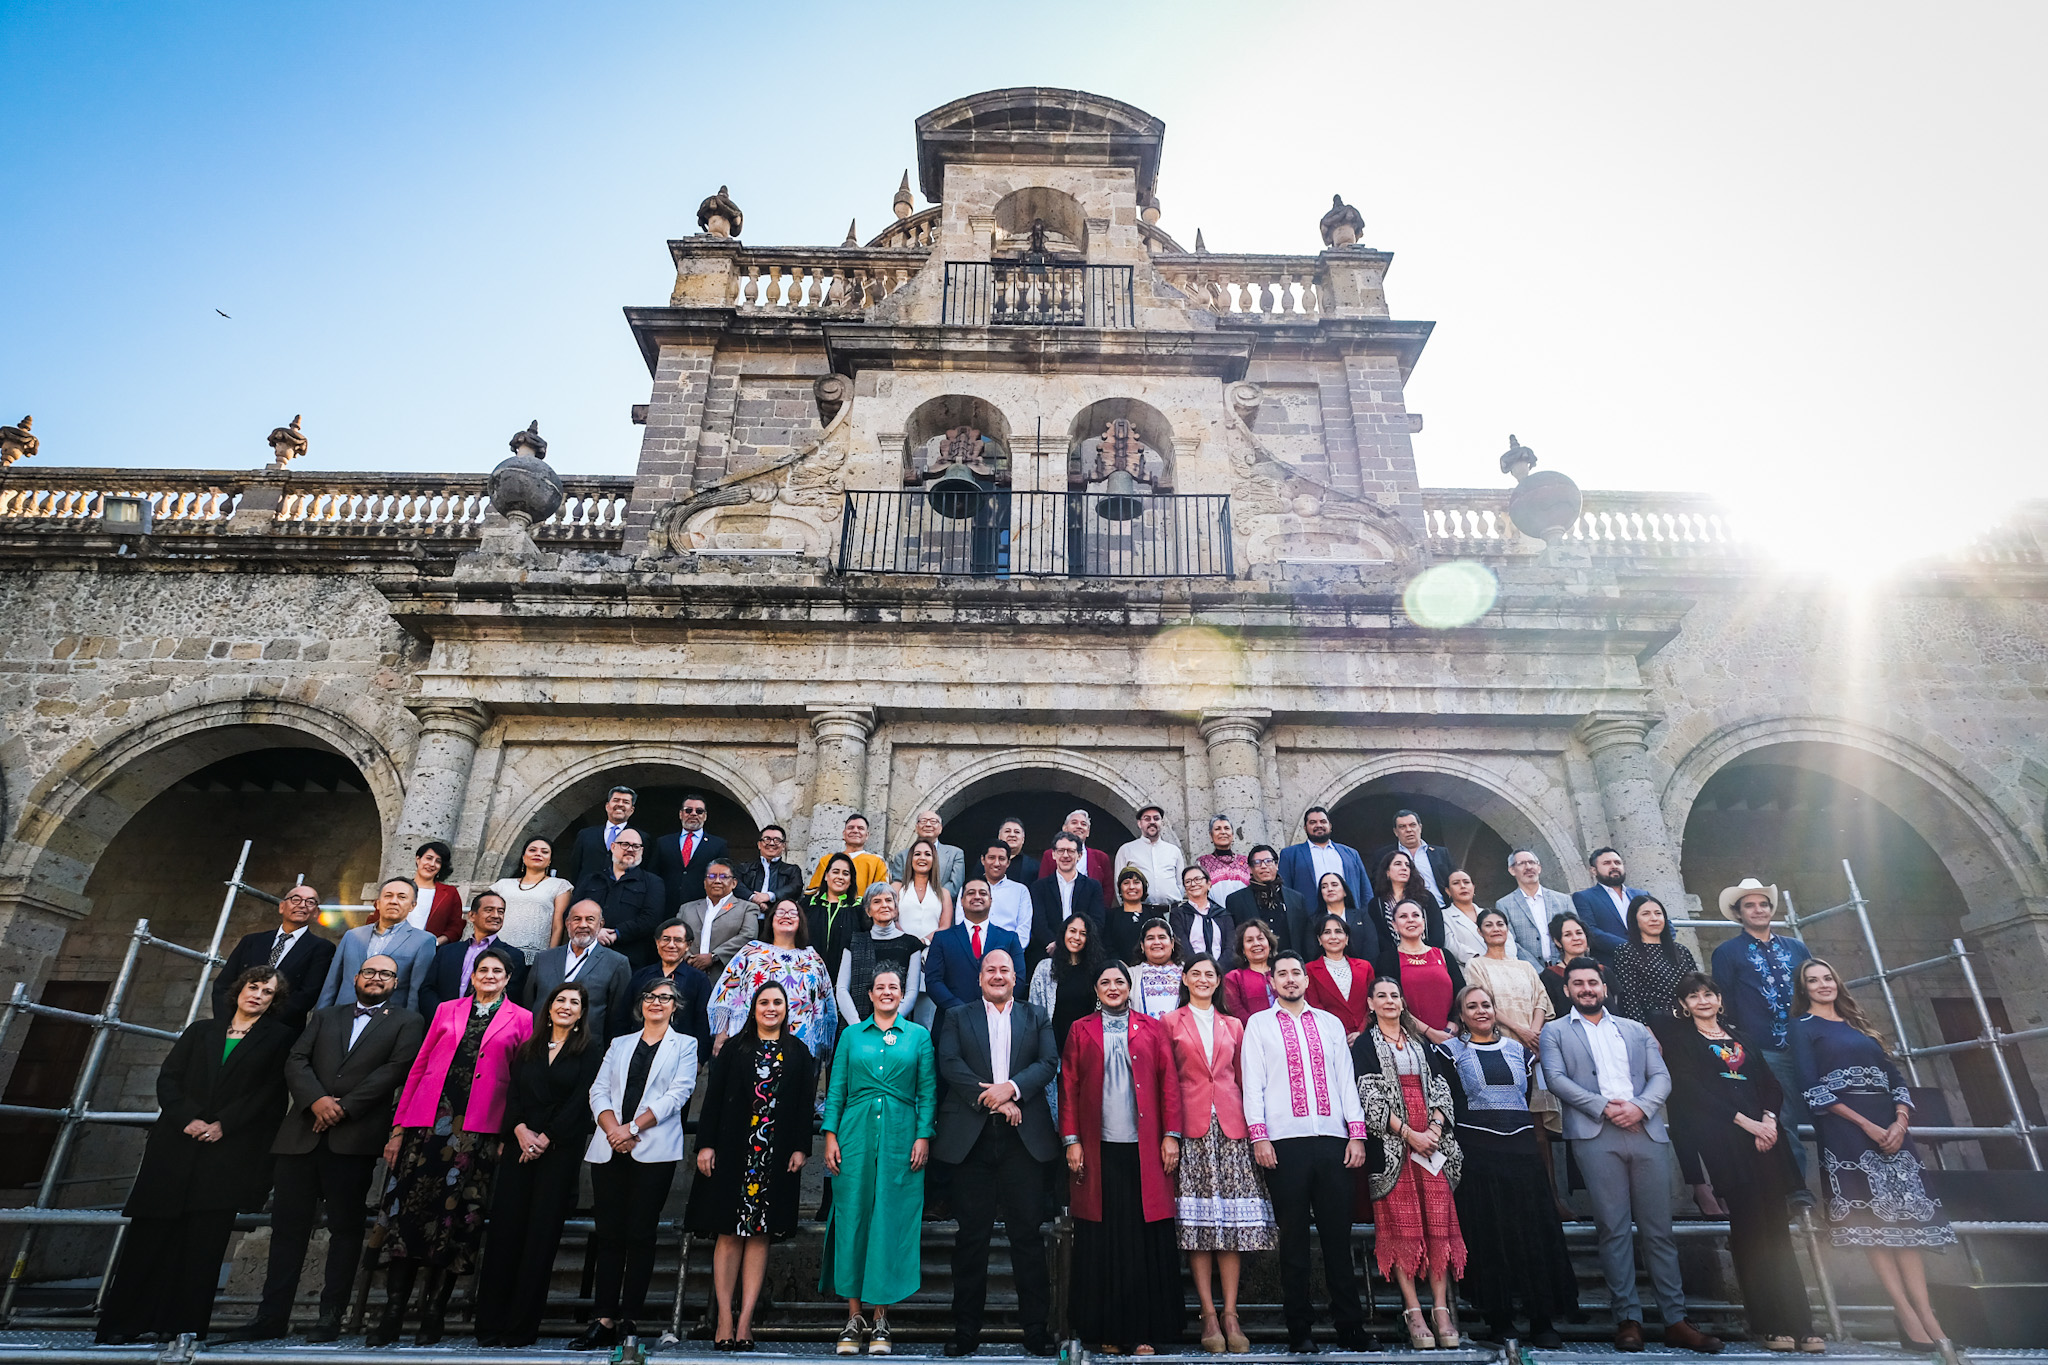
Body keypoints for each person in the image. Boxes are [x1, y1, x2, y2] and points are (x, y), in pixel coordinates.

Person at [219, 956, 425, 1343]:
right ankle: (271, 1317)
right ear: (356, 977)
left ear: (395, 983)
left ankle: (331, 1317)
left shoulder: (407, 1022)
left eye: (385, 974)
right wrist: (316, 1101)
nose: (376, 979)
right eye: (369, 972)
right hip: (300, 1136)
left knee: (345, 1231)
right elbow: (296, 1060)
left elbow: (395, 1069)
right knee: (286, 1231)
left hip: (353, 1140)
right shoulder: (326, 1016)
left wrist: (342, 1108)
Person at [95, 967, 293, 1346]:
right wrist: (187, 1118)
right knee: (148, 1240)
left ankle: (182, 1324)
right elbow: (168, 1077)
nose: (257, 995)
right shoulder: (200, 1031)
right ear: (239, 990)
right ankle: (124, 1322)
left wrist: (223, 1124)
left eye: (267, 992)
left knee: (202, 1243)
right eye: (253, 987)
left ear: (274, 1001)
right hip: (175, 1146)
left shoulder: (279, 1039)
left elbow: (269, 1093)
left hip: (226, 1150)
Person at [1539, 956, 1722, 1354]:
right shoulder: (1554, 1031)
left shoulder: (1636, 1029)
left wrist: (1640, 1107)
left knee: (1659, 1230)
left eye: (1593, 982)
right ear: (1567, 989)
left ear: (1604, 987)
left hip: (1645, 1129)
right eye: (1578, 984)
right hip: (1595, 1133)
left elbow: (1662, 1077)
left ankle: (1676, 1319)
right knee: (1613, 1228)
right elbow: (1555, 1079)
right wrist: (1605, 1107)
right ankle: (1628, 1320)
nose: (1586, 989)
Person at [369, 946, 532, 1347]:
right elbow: (421, 1065)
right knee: (407, 1215)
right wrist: (398, 1127)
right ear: (472, 975)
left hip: (476, 1134)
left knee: (457, 1222)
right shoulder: (446, 1009)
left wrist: (506, 1134)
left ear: (508, 978)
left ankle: (434, 1312)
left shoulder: (523, 1020)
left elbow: (522, 1082)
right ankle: (393, 1311)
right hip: (427, 1128)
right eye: (483, 970)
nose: (490, 975)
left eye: (497, 971)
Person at [1791, 957, 1954, 1349]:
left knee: (1907, 1226)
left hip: (1894, 1133)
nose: (1822, 984)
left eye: (1828, 977)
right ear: (1804, 990)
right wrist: (1866, 1125)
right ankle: (1906, 1314)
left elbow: (1895, 1077)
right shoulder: (1802, 1029)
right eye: (1813, 980)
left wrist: (1900, 1122)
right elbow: (1811, 1086)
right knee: (1875, 1226)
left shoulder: (1860, 1027)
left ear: (1837, 982)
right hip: (1848, 1132)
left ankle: (1928, 1313)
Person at [1656, 973, 1822, 1354]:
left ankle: (1802, 1322)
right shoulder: (1682, 1043)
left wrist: (1767, 1119)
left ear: (1720, 999)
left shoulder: (1743, 1037)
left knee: (1778, 1234)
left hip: (1766, 1142)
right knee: (1750, 1233)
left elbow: (1769, 1083)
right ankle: (1768, 1323)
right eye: (1693, 996)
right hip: (1728, 1143)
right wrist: (1745, 1123)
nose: (1702, 1000)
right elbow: (1693, 1091)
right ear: (1683, 1005)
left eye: (1708, 993)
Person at [1241, 949, 1372, 1354]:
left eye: (1296, 973)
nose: (1291, 980)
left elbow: (1346, 1080)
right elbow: (1253, 1084)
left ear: (1305, 979)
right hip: (1284, 1144)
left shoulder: (1330, 1024)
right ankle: (1300, 1328)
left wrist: (1357, 1134)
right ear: (1273, 983)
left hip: (1333, 1141)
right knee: (1294, 1240)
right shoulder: (1259, 1025)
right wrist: (1259, 1136)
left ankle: (1350, 1325)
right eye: (1282, 974)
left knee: (1338, 1238)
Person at [937, 950, 1059, 1357]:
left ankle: (1036, 1330)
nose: (997, 975)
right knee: (971, 1238)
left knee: (1027, 1237)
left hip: (1023, 1140)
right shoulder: (957, 1016)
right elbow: (950, 1064)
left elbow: (1048, 1062)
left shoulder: (1036, 1014)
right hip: (971, 1141)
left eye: (1004, 969)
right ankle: (966, 1331)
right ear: (979, 977)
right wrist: (993, 1098)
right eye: (990, 969)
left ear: (1015, 977)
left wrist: (1012, 1090)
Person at [473, 981, 607, 1348]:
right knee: (505, 1234)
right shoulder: (528, 1047)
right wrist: (519, 1130)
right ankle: (490, 1324)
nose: (565, 1006)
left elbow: (582, 1100)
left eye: (574, 1002)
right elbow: (512, 1093)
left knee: (539, 1239)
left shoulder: (590, 1050)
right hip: (519, 1147)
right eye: (560, 1000)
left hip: (557, 1152)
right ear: (548, 1008)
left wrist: (546, 1138)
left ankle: (519, 1328)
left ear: (582, 1013)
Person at [1060, 961, 1184, 1355]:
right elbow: (1069, 1086)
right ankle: (1107, 1329)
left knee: (1143, 1237)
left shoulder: (1152, 1027)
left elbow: (1169, 1083)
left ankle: (1145, 1329)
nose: (1112, 987)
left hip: (1144, 1147)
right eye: (1104, 982)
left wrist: (1171, 1136)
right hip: (1098, 1149)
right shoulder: (1081, 1029)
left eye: (1119, 982)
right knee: (1103, 1238)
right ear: (1095, 989)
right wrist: (1072, 1140)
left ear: (1130, 987)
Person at [686, 982, 817, 1350]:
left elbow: (805, 1105)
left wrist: (801, 1148)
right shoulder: (733, 1049)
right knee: (728, 1233)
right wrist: (706, 1144)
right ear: (753, 1008)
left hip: (774, 1156)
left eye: (778, 1002)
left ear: (786, 1009)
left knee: (760, 1235)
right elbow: (712, 1099)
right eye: (764, 1002)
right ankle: (724, 1318)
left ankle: (745, 1322)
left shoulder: (799, 1052)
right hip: (732, 1152)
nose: (771, 1008)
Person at [1441, 983, 1572, 1350]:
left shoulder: (1520, 1051)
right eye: (1472, 1006)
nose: (1480, 1011)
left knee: (1533, 1235)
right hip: (1479, 1157)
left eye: (1486, 1004)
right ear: (1461, 1015)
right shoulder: (1449, 1052)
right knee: (1489, 1237)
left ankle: (1541, 1318)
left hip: (1522, 1156)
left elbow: (1526, 1096)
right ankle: (1499, 1319)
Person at [575, 977, 699, 1350]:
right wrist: (614, 1129)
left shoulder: (686, 1045)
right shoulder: (620, 1043)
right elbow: (598, 1089)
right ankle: (603, 1319)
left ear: (675, 1005)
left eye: (664, 998)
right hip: (609, 1146)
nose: (656, 1003)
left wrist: (632, 1128)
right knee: (609, 1234)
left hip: (654, 1148)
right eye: (650, 997)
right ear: (640, 1003)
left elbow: (679, 1093)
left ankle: (631, 1319)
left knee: (641, 1235)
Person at [822, 965, 936, 1356]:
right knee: (853, 1216)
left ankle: (881, 1316)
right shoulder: (851, 1035)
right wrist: (830, 1136)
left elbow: (927, 1091)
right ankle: (854, 1316)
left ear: (903, 995)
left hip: (902, 1135)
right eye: (880, 987)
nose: (887, 992)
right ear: (868, 994)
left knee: (889, 1218)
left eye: (894, 987)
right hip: (853, 1132)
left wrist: (923, 1135)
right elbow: (835, 1089)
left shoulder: (918, 1036)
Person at [1166, 953, 1274, 1355]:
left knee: (1229, 1223)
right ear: (1186, 979)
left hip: (1232, 1128)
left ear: (1218, 981)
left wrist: (1257, 1128)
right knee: (1198, 1225)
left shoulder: (1234, 1024)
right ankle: (1208, 1314)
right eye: (1195, 973)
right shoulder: (1170, 1021)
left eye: (1210, 974)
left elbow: (1247, 1078)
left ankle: (1231, 1313)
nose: (1203, 979)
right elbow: (1167, 1081)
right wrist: (1169, 1133)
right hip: (1191, 1129)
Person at [1354, 976, 1466, 1350]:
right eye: (1381, 996)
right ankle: (1413, 1310)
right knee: (1401, 1225)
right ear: (1370, 1004)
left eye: (1395, 996)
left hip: (1431, 1143)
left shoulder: (1420, 1042)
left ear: (1403, 1002)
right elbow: (1367, 1094)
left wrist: (1433, 1127)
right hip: (1393, 1145)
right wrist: (1409, 1135)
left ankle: (1440, 1308)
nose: (1389, 1001)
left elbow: (1440, 1085)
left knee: (1438, 1222)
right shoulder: (1365, 1046)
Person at [1709, 878, 1815, 1179]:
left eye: (1763, 904)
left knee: (1828, 1114)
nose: (1758, 910)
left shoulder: (1796, 948)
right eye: (1750, 905)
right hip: (1765, 1049)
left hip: (1809, 1044)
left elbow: (1813, 993)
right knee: (1782, 1120)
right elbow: (1724, 1003)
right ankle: (1799, 1194)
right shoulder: (1727, 953)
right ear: (1739, 913)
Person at [1461, 908, 1565, 1200]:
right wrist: (1521, 1032)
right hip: (1501, 1046)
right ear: (1480, 932)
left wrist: (1533, 1032)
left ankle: (1551, 1197)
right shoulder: (1476, 965)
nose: (1495, 929)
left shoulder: (1525, 967)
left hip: (1532, 1047)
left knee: (1539, 1127)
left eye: (1500, 924)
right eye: (1488, 925)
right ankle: (1516, 1197)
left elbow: (1540, 1000)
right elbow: (1484, 1004)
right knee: (1509, 1123)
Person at [709, 898, 838, 1057]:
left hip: (798, 1047)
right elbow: (726, 991)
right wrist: (721, 1033)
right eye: (781, 912)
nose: (787, 916)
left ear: (801, 921)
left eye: (793, 913)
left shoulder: (813, 959)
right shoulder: (751, 951)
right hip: (748, 1043)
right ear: (771, 920)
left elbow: (825, 1004)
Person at [214, 881, 335, 1034]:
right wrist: (231, 1020)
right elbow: (223, 985)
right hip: (232, 1026)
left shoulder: (322, 948)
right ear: (282, 907)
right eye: (295, 899)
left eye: (310, 902)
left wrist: (261, 1022)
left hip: (279, 1031)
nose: (302, 905)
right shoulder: (251, 941)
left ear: (316, 912)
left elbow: (307, 995)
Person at [318, 877, 437, 1011]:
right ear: (378, 903)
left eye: (402, 897)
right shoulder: (352, 935)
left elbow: (415, 992)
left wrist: (409, 1026)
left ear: (412, 905)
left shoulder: (423, 941)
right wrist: (320, 1019)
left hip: (387, 1020)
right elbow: (331, 984)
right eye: (388, 896)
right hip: (341, 1015)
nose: (393, 901)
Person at [523, 900, 634, 1037]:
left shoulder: (617, 963)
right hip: (539, 1042)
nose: (582, 925)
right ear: (567, 923)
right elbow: (528, 1003)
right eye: (577, 919)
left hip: (585, 1047)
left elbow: (616, 1015)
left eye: (590, 919)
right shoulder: (544, 958)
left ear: (601, 924)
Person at [419, 889, 530, 1016]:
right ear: (472, 915)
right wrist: (442, 1014)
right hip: (441, 1023)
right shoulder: (447, 951)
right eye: (489, 910)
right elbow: (428, 989)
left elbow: (511, 997)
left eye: (501, 911)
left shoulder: (513, 955)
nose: (496, 915)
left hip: (482, 1027)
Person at [923, 879, 1024, 1015]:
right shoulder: (942, 938)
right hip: (952, 1020)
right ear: (961, 900)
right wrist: (960, 1010)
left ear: (991, 900)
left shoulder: (1009, 938)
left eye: (983, 893)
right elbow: (933, 981)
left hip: (999, 1019)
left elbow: (1019, 979)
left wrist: (994, 1007)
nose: (977, 896)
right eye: (971, 893)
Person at [573, 826, 668, 970]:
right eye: (625, 844)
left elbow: (651, 919)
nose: (630, 849)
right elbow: (570, 913)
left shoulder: (652, 883)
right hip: (585, 956)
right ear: (613, 847)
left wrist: (617, 933)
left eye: (636, 846)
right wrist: (594, 932)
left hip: (628, 961)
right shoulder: (592, 879)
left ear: (641, 851)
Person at [836, 882, 925, 1024]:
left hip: (897, 1025)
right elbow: (841, 989)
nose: (884, 905)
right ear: (868, 911)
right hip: (858, 1026)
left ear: (896, 908)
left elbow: (911, 993)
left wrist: (888, 1022)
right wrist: (858, 1025)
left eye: (889, 900)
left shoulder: (911, 944)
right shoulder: (853, 942)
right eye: (877, 901)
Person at [624, 917, 714, 1053]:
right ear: (657, 942)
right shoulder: (641, 976)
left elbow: (703, 1022)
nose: (671, 945)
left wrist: (699, 1059)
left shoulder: (698, 979)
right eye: (666, 939)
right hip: (637, 1050)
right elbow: (623, 1016)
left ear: (688, 945)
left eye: (678, 940)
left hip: (681, 1053)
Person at [1610, 894, 1698, 1024]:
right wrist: (1645, 1029)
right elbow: (1629, 998)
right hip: (1655, 1022)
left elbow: (1697, 987)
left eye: (1658, 913)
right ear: (1635, 919)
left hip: (1689, 1018)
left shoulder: (1681, 950)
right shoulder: (1625, 952)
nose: (1654, 918)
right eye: (1646, 914)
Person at [1028, 911, 1104, 1058]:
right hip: (1052, 1045)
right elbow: (1034, 1008)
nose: (1076, 937)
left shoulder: (1097, 970)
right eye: (1072, 931)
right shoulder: (1045, 968)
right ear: (1064, 933)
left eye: (1083, 933)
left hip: (1086, 1046)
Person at [1384, 899, 1465, 1034]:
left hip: (1451, 1035)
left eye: (1416, 915)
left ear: (1423, 921)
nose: (1410, 920)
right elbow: (1390, 1003)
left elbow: (1462, 995)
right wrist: (1429, 1032)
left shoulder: (1444, 955)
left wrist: (1452, 1025)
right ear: (1394, 925)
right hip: (1410, 1037)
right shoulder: (1388, 959)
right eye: (1403, 916)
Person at [1028, 833, 1105, 971]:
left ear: (1080, 856)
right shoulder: (1039, 887)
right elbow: (1038, 922)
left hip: (1084, 954)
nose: (1065, 855)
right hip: (1048, 953)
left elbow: (1097, 921)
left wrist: (1077, 943)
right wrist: (1057, 944)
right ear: (1053, 854)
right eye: (1061, 851)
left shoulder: (1093, 886)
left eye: (1071, 851)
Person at [647, 791, 730, 913]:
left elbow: (724, 878)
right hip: (666, 907)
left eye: (699, 811)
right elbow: (653, 875)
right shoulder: (663, 842)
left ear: (705, 816)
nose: (693, 814)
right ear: (681, 814)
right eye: (688, 810)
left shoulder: (718, 845)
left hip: (701, 909)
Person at [490, 836, 574, 956]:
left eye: (544, 852)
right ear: (523, 857)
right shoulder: (502, 885)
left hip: (536, 955)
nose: (538, 854)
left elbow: (558, 926)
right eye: (532, 850)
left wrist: (550, 956)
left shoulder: (560, 885)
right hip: (498, 951)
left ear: (550, 860)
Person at [1367, 847, 1445, 971]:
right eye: (1398, 864)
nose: (1404, 868)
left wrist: (1424, 953)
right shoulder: (1376, 904)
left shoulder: (1426, 897)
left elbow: (1437, 931)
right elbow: (1378, 937)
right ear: (1387, 871)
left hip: (1428, 958)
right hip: (1394, 962)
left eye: (1407, 865)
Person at [1226, 845, 1310, 957]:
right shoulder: (1236, 901)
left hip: (1290, 964)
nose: (1263, 866)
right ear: (1250, 868)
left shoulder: (1296, 899)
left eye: (1268, 861)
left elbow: (1304, 937)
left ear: (1276, 865)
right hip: (1255, 965)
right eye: (1257, 862)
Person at [1278, 805, 1367, 908]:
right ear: (1305, 828)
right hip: (1309, 918)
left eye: (1323, 821)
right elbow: (1285, 891)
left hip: (1349, 915)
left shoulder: (1351, 854)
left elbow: (1365, 890)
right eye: (1313, 822)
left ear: (1330, 826)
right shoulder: (1290, 854)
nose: (1319, 825)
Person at [1304, 912, 1375, 1044]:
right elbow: (1315, 1007)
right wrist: (1341, 1034)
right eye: (1327, 932)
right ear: (1319, 940)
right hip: (1331, 1039)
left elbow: (1372, 1004)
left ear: (1347, 938)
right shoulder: (1309, 970)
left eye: (1338, 931)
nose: (1333, 937)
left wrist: (1361, 1032)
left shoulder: (1365, 967)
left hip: (1366, 1036)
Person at [680, 859, 758, 974]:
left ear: (734, 883)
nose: (717, 881)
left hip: (727, 976)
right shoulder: (686, 909)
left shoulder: (747, 908)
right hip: (688, 972)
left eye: (724, 877)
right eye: (711, 876)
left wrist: (714, 956)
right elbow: (676, 935)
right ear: (705, 882)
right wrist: (688, 957)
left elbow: (748, 936)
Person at [1497, 848, 1571, 965]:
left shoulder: (1563, 900)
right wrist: (1537, 971)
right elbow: (1510, 941)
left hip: (1565, 967)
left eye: (1532, 862)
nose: (1528, 867)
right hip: (1530, 971)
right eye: (1521, 864)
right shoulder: (1504, 904)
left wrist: (1563, 964)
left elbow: (1575, 933)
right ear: (1512, 870)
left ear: (1539, 868)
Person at [562, 785, 642, 887]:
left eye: (626, 802)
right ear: (607, 806)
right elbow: (575, 867)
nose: (620, 804)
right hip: (587, 894)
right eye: (616, 800)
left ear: (631, 810)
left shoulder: (641, 838)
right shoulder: (585, 834)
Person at [1570, 847, 1643, 955]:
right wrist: (1629, 948)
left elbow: (1665, 924)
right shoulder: (1584, 897)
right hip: (1611, 962)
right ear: (1593, 870)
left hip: (1649, 962)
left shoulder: (1641, 895)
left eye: (1617, 862)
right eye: (1607, 863)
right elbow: (1590, 931)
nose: (1614, 866)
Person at [1113, 804, 1185, 908]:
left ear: (1162, 822)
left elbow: (1181, 883)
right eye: (1147, 819)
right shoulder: (1126, 850)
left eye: (1156, 818)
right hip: (1141, 911)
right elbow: (1118, 884)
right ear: (1139, 823)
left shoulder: (1174, 851)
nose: (1152, 822)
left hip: (1171, 912)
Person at [805, 851, 863, 979]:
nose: (840, 877)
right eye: (835, 872)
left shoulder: (859, 908)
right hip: (809, 977)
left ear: (851, 880)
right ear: (826, 876)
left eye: (846, 873)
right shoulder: (809, 904)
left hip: (846, 980)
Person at [1315, 867, 1384, 973]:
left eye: (1334, 885)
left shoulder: (1362, 915)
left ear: (1345, 891)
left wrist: (1364, 971)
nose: (1329, 889)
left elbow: (1371, 947)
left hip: (1362, 973)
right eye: (1324, 887)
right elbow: (1311, 952)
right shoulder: (1314, 921)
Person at [886, 810, 965, 900]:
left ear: (940, 828)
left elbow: (955, 885)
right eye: (923, 821)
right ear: (916, 827)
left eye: (933, 821)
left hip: (944, 905)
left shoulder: (955, 853)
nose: (928, 824)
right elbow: (898, 883)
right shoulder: (902, 856)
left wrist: (933, 900)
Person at [1171, 863, 1236, 972]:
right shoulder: (1178, 915)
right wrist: (1199, 970)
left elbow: (1230, 948)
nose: (1193, 884)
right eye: (1188, 881)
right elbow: (1183, 948)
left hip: (1222, 973)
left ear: (1209, 884)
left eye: (1198, 879)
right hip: (1192, 972)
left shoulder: (1223, 914)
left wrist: (1216, 971)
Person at [807, 813, 890, 896]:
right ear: (844, 834)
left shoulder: (877, 862)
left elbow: (882, 893)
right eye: (851, 828)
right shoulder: (826, 860)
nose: (855, 831)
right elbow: (813, 892)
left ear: (867, 835)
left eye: (860, 828)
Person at [894, 835, 954, 944]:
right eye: (917, 854)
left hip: (932, 950)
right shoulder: (897, 888)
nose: (922, 858)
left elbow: (945, 926)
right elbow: (893, 920)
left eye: (927, 854)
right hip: (901, 947)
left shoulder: (944, 894)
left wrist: (923, 941)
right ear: (910, 859)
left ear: (934, 859)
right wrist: (908, 942)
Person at [1540, 912, 1600, 1018]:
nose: (1576, 938)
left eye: (1579, 933)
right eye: (1568, 935)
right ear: (1558, 942)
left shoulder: (1602, 971)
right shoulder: (1550, 976)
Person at [736, 824, 804, 912]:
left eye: (777, 840)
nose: (771, 843)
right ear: (759, 844)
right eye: (767, 839)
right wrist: (753, 898)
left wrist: (770, 896)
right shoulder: (743, 868)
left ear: (783, 846)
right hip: (747, 914)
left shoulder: (792, 870)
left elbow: (795, 887)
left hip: (777, 916)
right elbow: (735, 884)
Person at [407, 839, 465, 943]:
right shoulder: (399, 886)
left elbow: (456, 927)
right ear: (418, 859)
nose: (432, 864)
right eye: (429, 858)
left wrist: (436, 942)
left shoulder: (450, 893)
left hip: (431, 951)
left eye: (438, 861)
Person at [1222, 917, 1278, 1021]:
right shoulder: (1233, 978)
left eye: (1260, 938)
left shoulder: (1283, 973)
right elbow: (1236, 1012)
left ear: (1269, 945)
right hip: (1253, 1033)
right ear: (1243, 949)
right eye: (1249, 940)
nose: (1256, 944)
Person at [980, 840, 1034, 945]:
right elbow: (962, 922)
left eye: (1001, 859)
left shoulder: (1020, 891)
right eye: (991, 858)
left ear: (1008, 863)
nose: (996, 863)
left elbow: (1024, 929)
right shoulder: (969, 888)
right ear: (983, 860)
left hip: (1009, 954)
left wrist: (1010, 951)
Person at [1132, 917, 1184, 1019]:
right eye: (1150, 938)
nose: (1156, 942)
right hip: (1144, 1033)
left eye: (1162, 937)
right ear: (1142, 945)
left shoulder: (1188, 972)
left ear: (1172, 943)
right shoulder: (1131, 975)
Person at [1441, 868, 1494, 963]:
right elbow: (1451, 946)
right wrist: (1479, 960)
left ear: (1473, 887)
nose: (1462, 886)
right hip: (1471, 969)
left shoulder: (1490, 914)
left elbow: (1507, 940)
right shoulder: (1443, 916)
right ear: (1448, 891)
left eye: (1466, 882)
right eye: (1456, 883)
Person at [1198, 815, 1253, 904]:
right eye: (1217, 829)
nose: (1223, 832)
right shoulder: (1203, 863)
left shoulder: (1246, 861)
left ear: (1232, 835)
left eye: (1227, 828)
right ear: (1211, 835)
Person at [1104, 866, 1152, 965]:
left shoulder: (1154, 915)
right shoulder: (1110, 916)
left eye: (1136, 882)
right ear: (1120, 889)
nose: (1131, 887)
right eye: (1126, 883)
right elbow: (1107, 945)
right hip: (1119, 971)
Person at [1063, 808, 1114, 886]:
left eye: (1083, 824)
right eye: (1074, 823)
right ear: (1065, 828)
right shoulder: (1050, 855)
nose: (1079, 826)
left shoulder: (1101, 857)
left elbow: (1108, 888)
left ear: (1088, 832)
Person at [996, 816, 1040, 885]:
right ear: (999, 836)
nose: (1012, 835)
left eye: (1017, 832)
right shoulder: (986, 863)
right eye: (1007, 831)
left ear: (1023, 839)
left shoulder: (1034, 866)